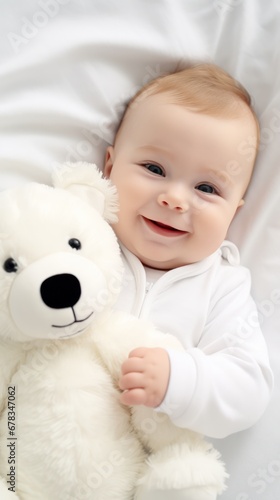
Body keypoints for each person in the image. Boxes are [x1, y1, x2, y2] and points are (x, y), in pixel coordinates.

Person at [103, 63, 273, 498]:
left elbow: (249, 388)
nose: (174, 198)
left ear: (235, 211)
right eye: (154, 168)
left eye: (208, 189)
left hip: (145, 477)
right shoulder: (82, 241)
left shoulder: (222, 286)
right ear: (108, 168)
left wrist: (180, 381)